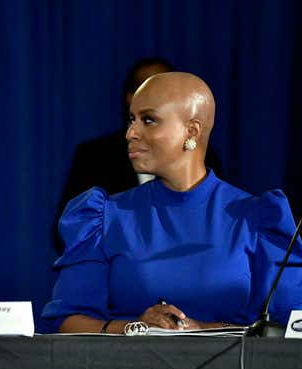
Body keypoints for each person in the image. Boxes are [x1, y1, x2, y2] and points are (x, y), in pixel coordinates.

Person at [42, 72, 302, 333]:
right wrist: (134, 327)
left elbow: (293, 329)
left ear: (191, 131)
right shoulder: (102, 217)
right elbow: (66, 321)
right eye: (131, 119)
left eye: (148, 120)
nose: (130, 133)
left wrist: (202, 329)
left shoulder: (258, 218)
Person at [54, 58, 223, 253]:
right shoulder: (94, 156)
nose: (153, 97)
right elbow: (69, 231)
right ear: (129, 97)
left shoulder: (205, 158)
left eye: (163, 90)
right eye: (143, 88)